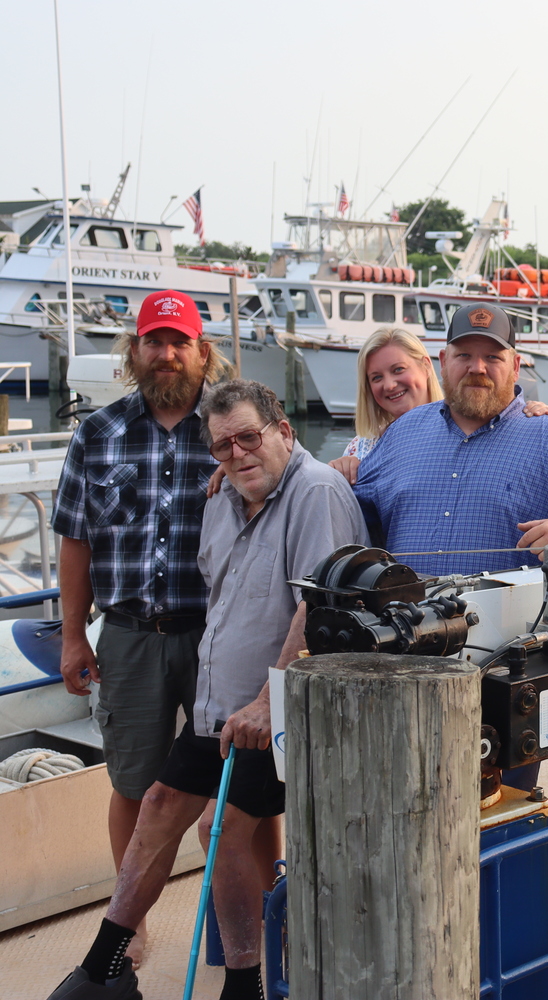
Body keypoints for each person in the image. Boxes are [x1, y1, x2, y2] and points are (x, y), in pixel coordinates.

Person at [46, 379, 369, 1000]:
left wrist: (270, 699)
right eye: (223, 446)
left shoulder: (317, 492)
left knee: (219, 830)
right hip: (218, 706)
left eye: (250, 437)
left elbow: (321, 606)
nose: (238, 453)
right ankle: (104, 967)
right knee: (161, 802)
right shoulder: (221, 497)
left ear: (284, 432)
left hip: (283, 711)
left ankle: (244, 984)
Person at [354, 302, 548, 788]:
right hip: (401, 661)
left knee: (499, 817)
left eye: (492, 357)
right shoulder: (401, 434)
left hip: (504, 668)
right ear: (442, 361)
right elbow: (352, 506)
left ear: (515, 365)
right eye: (465, 355)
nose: (477, 368)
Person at [51, 289, 228, 969]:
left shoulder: (229, 423)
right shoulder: (97, 432)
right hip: (127, 634)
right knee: (132, 785)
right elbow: (74, 541)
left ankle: (242, 904)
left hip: (217, 634)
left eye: (179, 340)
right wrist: (73, 637)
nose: (166, 353)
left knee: (243, 784)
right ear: (135, 351)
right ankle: (133, 922)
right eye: (154, 340)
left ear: (200, 351)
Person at [329, 326, 548, 481]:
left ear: (427, 366)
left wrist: (532, 421)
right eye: (376, 377)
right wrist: (340, 475)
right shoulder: (360, 448)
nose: (389, 385)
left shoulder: (465, 429)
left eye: (398, 370)